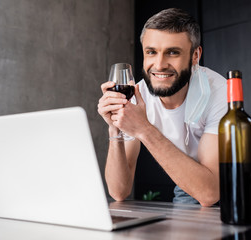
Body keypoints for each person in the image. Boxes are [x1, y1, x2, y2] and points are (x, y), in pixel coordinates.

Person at [98, 8, 229, 207]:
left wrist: (143, 129)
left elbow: (209, 193)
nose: (159, 65)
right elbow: (119, 191)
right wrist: (115, 128)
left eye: (173, 52)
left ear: (195, 55)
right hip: (187, 179)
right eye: (151, 52)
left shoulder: (219, 91)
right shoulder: (137, 93)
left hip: (235, 180)